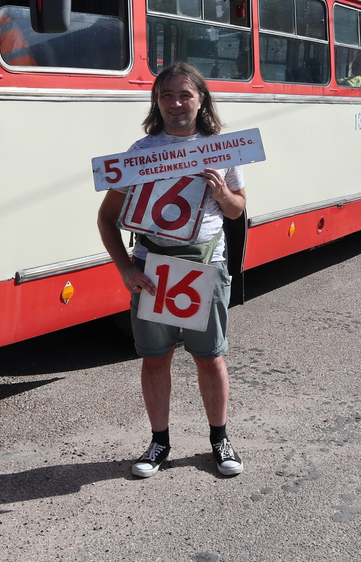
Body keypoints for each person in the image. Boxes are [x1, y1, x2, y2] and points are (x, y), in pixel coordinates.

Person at [97, 62, 247, 479]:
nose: (176, 103)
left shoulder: (221, 149)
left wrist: (222, 193)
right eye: (167, 95)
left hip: (204, 264)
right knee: (156, 358)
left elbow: (239, 208)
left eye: (185, 95)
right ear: (157, 102)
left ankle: (219, 439)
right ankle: (159, 442)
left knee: (209, 357)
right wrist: (125, 267)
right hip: (152, 266)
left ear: (201, 101)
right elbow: (107, 218)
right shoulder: (140, 152)